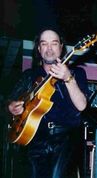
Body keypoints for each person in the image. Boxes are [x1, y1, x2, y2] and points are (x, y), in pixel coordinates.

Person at [7, 28, 89, 178]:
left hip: (66, 139)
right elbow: (10, 100)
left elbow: (82, 105)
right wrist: (11, 106)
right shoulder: (29, 75)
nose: (49, 49)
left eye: (54, 43)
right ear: (39, 48)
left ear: (61, 47)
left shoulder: (77, 73)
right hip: (34, 138)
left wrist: (68, 78)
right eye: (44, 44)